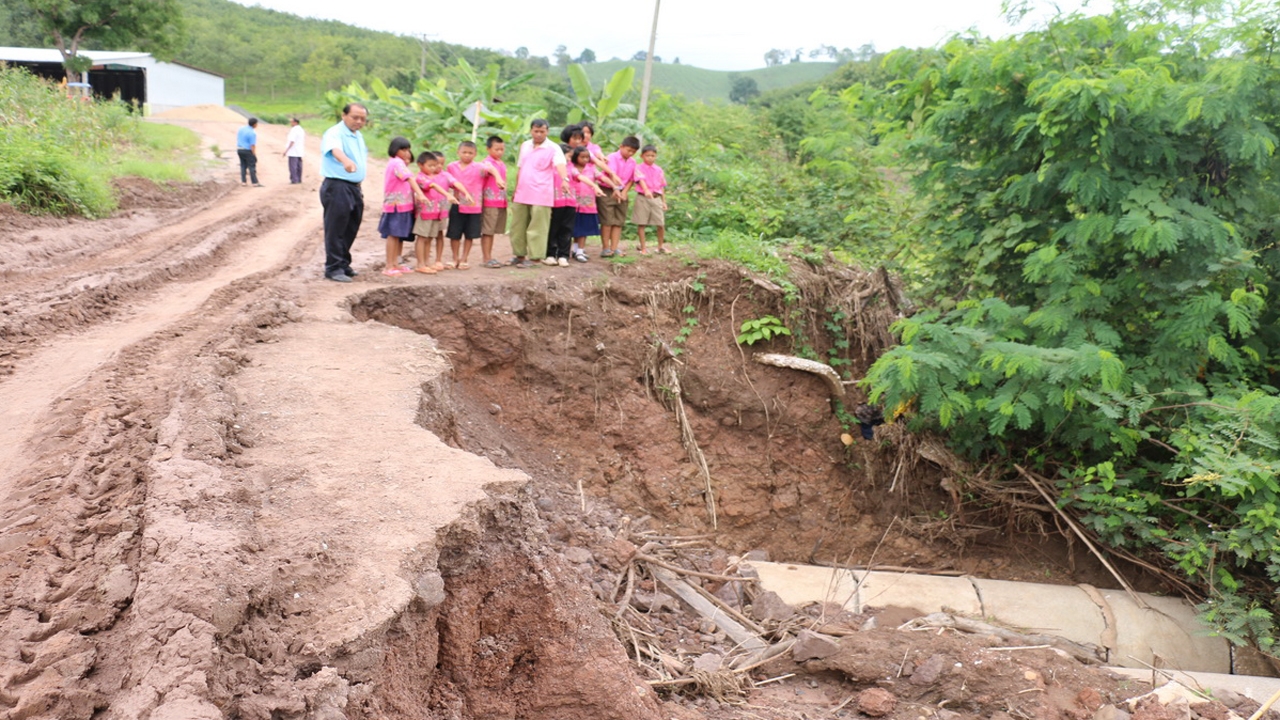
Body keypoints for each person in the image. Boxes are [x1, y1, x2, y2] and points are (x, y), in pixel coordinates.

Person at [507, 119, 570, 268]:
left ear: (547, 131)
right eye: (536, 131)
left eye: (542, 131)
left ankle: (535, 258)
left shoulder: (553, 148)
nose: (539, 134)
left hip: (541, 193)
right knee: (518, 226)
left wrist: (564, 179)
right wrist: (516, 189)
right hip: (522, 191)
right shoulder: (525, 146)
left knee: (538, 227)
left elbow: (560, 164)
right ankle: (520, 255)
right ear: (531, 131)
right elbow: (520, 168)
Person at [319, 103, 369, 282]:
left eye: (362, 118)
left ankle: (343, 263)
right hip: (338, 186)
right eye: (355, 117)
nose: (359, 121)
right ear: (344, 115)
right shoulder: (335, 132)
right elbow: (335, 150)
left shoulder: (358, 135)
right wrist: (346, 161)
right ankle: (333, 268)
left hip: (353, 187)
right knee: (336, 227)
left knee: (351, 226)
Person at [377, 137, 428, 277]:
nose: (406, 153)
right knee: (393, 235)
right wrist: (420, 194)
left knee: (398, 235)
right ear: (395, 150)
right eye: (403, 149)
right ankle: (389, 266)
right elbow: (409, 178)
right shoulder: (397, 163)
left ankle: (395, 263)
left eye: (408, 149)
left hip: (402, 205)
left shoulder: (397, 163)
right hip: (396, 205)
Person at [412, 151, 460, 274]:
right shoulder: (421, 177)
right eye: (431, 165)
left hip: (435, 212)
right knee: (422, 237)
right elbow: (432, 186)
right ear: (421, 165)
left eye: (436, 165)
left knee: (429, 238)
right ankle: (420, 264)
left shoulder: (437, 176)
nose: (434, 168)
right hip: (425, 213)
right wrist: (448, 194)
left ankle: (427, 262)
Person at [598, 136, 640, 257]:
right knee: (607, 220)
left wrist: (625, 192)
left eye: (633, 152)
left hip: (622, 192)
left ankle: (614, 248)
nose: (630, 153)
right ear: (621, 146)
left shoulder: (632, 162)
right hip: (608, 190)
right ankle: (606, 248)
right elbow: (612, 175)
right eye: (628, 150)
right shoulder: (612, 157)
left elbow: (632, 179)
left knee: (618, 221)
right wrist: (615, 189)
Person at [445, 141, 483, 269]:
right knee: (454, 233)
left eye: (470, 153)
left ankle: (464, 258)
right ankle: (455, 258)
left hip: (473, 205)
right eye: (464, 152)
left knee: (469, 234)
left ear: (475, 154)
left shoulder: (479, 167)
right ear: (458, 152)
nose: (467, 155)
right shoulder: (451, 167)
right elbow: (448, 183)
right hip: (457, 203)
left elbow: (491, 168)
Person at [545, 142, 579, 267]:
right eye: (568, 156)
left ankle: (563, 255)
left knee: (567, 228)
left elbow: (580, 177)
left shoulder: (571, 168)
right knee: (553, 228)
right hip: (555, 202)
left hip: (570, 202)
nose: (569, 159)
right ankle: (550, 254)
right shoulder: (551, 168)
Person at [569, 146, 606, 262]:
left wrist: (615, 185)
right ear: (576, 157)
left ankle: (580, 250)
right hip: (573, 202)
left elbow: (601, 177)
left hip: (587, 203)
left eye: (587, 157)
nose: (585, 159)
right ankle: (575, 249)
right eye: (582, 157)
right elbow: (580, 178)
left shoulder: (591, 168)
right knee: (574, 227)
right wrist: (594, 186)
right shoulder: (571, 168)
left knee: (583, 228)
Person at [632, 144, 670, 254]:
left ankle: (660, 246)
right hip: (643, 198)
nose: (650, 158)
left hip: (656, 197)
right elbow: (640, 179)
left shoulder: (658, 169)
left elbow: (662, 186)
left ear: (656, 156)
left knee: (660, 223)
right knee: (642, 223)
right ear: (642, 156)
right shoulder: (639, 167)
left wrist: (663, 201)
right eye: (648, 155)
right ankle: (643, 248)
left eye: (653, 155)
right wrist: (646, 190)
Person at [479, 135, 508, 269]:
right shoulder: (487, 162)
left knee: (493, 231)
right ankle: (486, 258)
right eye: (497, 149)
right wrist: (496, 176)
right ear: (488, 149)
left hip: (500, 201)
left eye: (502, 149)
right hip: (490, 202)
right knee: (488, 231)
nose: (500, 152)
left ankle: (489, 256)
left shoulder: (501, 163)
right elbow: (489, 169)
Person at [236, 117, 262, 187]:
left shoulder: (241, 129)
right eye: (256, 124)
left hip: (239, 149)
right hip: (247, 150)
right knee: (251, 166)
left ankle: (243, 181)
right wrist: (254, 154)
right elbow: (252, 145)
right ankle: (254, 182)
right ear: (254, 124)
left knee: (243, 166)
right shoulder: (252, 133)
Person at [282, 118, 305, 184]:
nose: (290, 123)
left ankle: (294, 179)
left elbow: (292, 141)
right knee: (299, 165)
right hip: (299, 150)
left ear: (295, 122)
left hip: (293, 150)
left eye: (291, 122)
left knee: (293, 166)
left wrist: (286, 150)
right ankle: (299, 179)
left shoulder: (294, 130)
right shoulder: (301, 129)